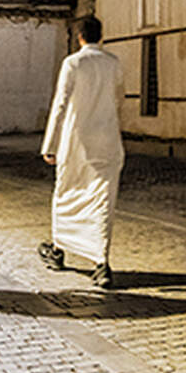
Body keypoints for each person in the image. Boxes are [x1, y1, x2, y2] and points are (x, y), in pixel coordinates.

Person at [38, 16, 125, 288]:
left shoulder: (73, 63)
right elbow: (119, 99)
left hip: (76, 141)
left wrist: (50, 144)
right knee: (103, 200)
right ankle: (101, 262)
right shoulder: (113, 63)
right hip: (107, 139)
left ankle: (58, 249)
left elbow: (61, 104)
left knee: (66, 193)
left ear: (79, 37)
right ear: (101, 36)